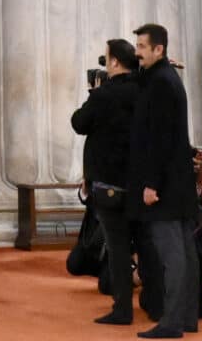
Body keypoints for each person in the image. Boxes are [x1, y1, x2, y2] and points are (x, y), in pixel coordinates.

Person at [127, 23, 200, 338]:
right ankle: (186, 318)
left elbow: (159, 139)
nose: (137, 52)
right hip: (177, 183)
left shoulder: (161, 83)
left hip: (165, 187)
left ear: (159, 49)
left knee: (172, 256)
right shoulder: (164, 78)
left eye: (142, 47)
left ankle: (172, 322)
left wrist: (151, 184)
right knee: (183, 252)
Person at [75, 39, 142, 325]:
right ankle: (156, 302)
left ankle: (122, 309)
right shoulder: (145, 90)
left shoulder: (105, 95)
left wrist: (94, 93)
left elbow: (79, 123)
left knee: (117, 248)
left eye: (106, 58)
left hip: (110, 184)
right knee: (146, 244)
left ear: (114, 62)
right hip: (140, 182)